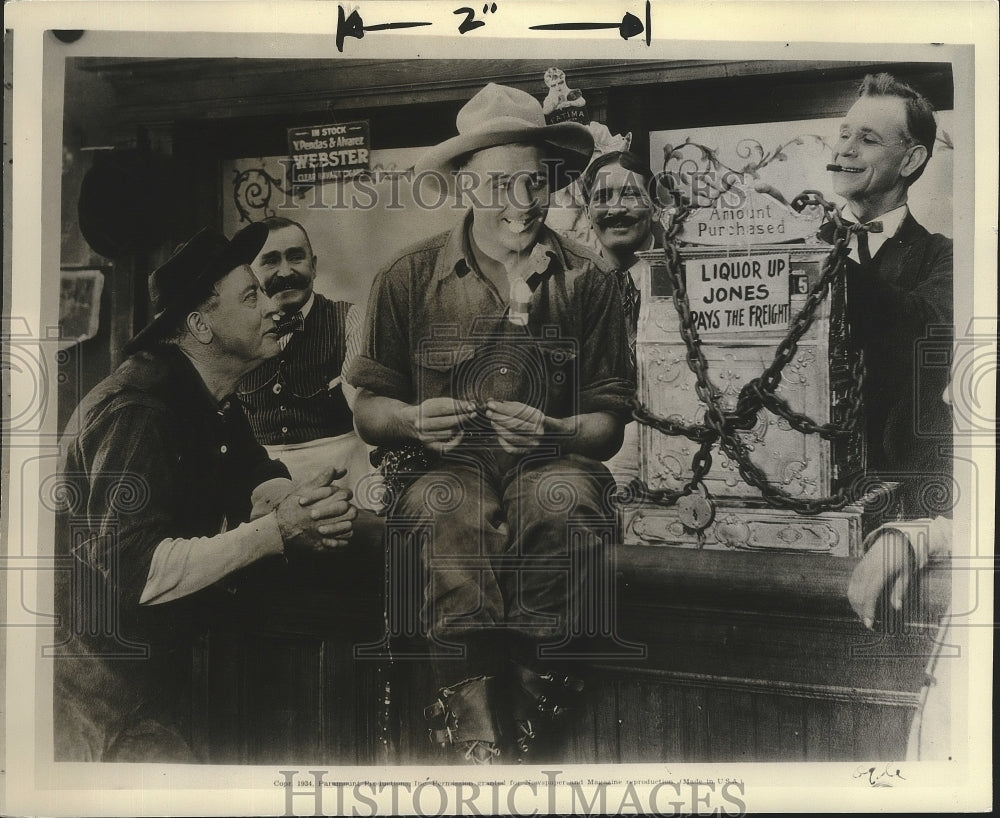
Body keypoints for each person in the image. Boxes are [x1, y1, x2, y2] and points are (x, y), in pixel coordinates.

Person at [348, 83, 635, 763]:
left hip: (552, 465)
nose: (522, 203)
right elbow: (368, 412)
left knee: (560, 501)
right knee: (449, 509)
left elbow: (608, 426)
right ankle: (473, 724)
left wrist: (554, 434)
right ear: (464, 188)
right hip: (448, 471)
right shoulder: (406, 279)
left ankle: (537, 706)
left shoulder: (589, 281)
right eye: (501, 184)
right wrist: (415, 421)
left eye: (535, 182)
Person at [52, 223, 358, 762]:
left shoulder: (210, 395)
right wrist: (279, 529)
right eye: (250, 296)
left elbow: (254, 472)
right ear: (200, 325)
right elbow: (140, 572)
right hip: (86, 691)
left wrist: (300, 500)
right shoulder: (139, 412)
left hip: (148, 677)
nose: (271, 307)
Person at [822, 72, 953, 518]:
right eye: (843, 134)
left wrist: (821, 260)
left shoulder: (943, 257)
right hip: (803, 484)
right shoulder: (797, 244)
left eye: (868, 139)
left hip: (906, 492)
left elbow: (917, 329)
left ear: (911, 160)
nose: (845, 149)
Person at [237, 217, 375, 508]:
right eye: (271, 261)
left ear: (313, 265)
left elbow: (365, 407)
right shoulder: (235, 335)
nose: (285, 272)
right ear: (251, 275)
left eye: (296, 257)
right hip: (260, 484)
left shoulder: (349, 319)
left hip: (341, 477)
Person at [581, 150, 663, 490]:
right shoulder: (568, 283)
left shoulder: (690, 277)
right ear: (587, 212)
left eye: (630, 194)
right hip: (587, 454)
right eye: (602, 197)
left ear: (656, 207)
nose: (615, 209)